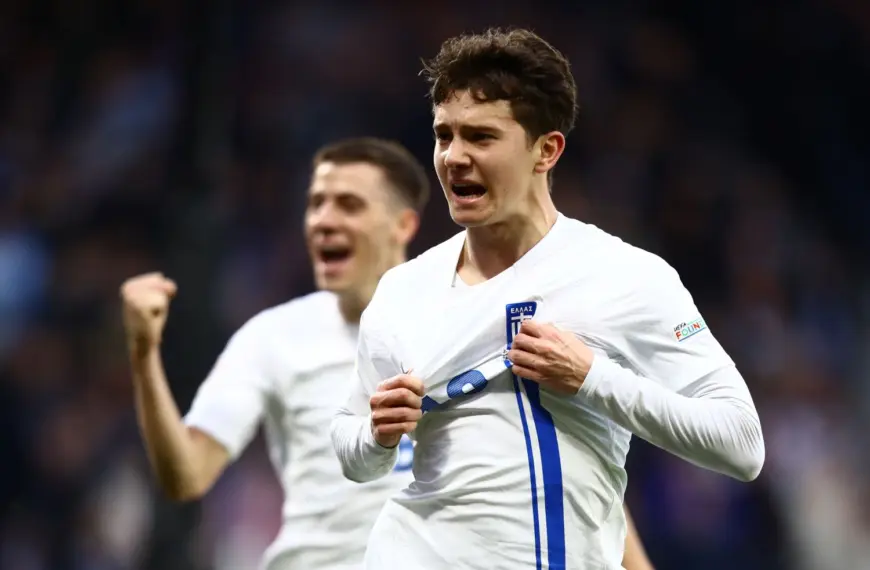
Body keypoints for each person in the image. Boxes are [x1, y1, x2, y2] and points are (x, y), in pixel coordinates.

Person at [331, 28, 765, 570]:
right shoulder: (403, 291)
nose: (454, 157)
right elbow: (351, 445)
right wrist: (376, 435)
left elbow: (741, 442)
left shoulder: (625, 277)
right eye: (444, 135)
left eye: (481, 137)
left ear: (546, 150)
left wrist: (592, 378)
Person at [119, 135, 655, 570]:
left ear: (404, 225)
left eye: (349, 205)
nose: (323, 220)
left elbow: (575, 469)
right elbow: (186, 474)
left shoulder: (478, 319)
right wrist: (144, 354)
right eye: (316, 204)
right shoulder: (273, 337)